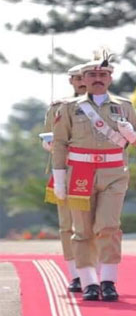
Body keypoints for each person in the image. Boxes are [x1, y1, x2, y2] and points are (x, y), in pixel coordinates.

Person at [51, 50, 136, 301]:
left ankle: (108, 279)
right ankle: (89, 281)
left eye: (103, 74)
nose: (97, 78)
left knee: (109, 226)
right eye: (92, 74)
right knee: (81, 230)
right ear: (83, 78)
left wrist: (130, 134)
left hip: (113, 172)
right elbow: (59, 143)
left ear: (110, 79)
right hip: (79, 171)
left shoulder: (124, 106)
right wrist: (59, 178)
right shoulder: (69, 108)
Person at [42, 63, 87, 293]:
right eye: (76, 78)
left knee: (98, 225)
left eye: (84, 77)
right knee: (67, 226)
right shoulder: (58, 107)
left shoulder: (109, 106)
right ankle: (75, 274)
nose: (81, 82)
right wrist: (49, 144)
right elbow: (48, 137)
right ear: (71, 81)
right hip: (66, 170)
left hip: (95, 170)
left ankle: (94, 272)